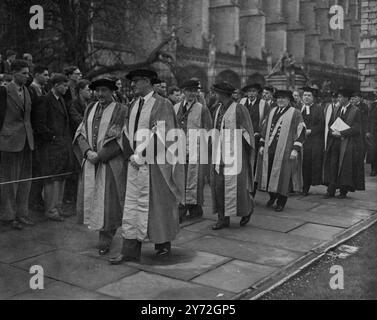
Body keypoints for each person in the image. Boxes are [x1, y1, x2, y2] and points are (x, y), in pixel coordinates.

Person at [109, 69, 184, 264]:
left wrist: (142, 155)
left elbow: (164, 134)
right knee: (133, 206)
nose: (132, 85)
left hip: (156, 164)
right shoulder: (133, 104)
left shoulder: (163, 103)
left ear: (147, 81)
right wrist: (129, 155)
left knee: (158, 205)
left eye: (135, 81)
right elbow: (126, 131)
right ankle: (130, 250)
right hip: (135, 163)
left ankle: (162, 246)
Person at [73, 78, 129, 256]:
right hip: (91, 161)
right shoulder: (90, 108)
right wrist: (87, 152)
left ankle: (106, 238)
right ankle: (102, 234)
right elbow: (81, 132)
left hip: (109, 164)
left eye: (104, 90)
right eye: (97, 91)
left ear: (112, 91)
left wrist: (101, 155)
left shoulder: (120, 110)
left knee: (109, 202)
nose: (100, 94)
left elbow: (120, 138)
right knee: (93, 199)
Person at [210, 82, 255, 230]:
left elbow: (247, 130)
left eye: (216, 93)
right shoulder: (217, 109)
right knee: (218, 185)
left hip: (235, 153)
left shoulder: (239, 109)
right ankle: (223, 218)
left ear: (222, 94)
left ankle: (247, 210)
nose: (214, 95)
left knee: (238, 187)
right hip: (219, 153)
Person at [255, 90, 306, 212]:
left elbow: (301, 131)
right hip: (269, 149)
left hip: (285, 151)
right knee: (268, 175)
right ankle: (272, 196)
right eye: (278, 98)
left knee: (284, 177)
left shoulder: (295, 113)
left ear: (289, 100)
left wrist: (295, 149)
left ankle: (281, 201)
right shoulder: (272, 111)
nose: (281, 100)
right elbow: (264, 128)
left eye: (284, 98)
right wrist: (262, 145)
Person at [33, 74, 74, 221]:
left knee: (61, 176)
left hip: (62, 145)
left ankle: (57, 206)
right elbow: (39, 124)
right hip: (51, 146)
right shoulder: (45, 100)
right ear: (56, 85)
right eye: (64, 85)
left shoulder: (61, 100)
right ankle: (50, 210)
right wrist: (52, 137)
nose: (66, 88)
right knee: (51, 177)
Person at [0, 60, 34, 230]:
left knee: (25, 180)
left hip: (27, 141)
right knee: (9, 180)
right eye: (24, 73)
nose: (27, 76)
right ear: (14, 73)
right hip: (10, 141)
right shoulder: (5, 90)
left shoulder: (27, 91)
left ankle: (22, 214)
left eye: (28, 73)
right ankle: (8, 216)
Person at [173, 80, 212, 222]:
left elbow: (208, 128)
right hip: (178, 148)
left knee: (194, 180)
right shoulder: (175, 107)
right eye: (189, 90)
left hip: (195, 148)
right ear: (183, 91)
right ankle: (189, 208)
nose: (192, 93)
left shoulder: (202, 109)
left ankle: (189, 209)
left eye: (195, 91)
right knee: (180, 178)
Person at [323, 89, 365, 199]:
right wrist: (333, 132)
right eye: (338, 97)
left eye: (341, 97)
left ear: (347, 98)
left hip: (347, 143)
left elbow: (357, 128)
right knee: (333, 165)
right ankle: (331, 190)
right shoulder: (336, 109)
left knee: (345, 167)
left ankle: (343, 191)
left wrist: (341, 133)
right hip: (335, 142)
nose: (338, 99)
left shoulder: (355, 111)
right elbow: (330, 124)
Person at [239, 83, 271, 196]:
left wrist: (260, 133)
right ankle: (242, 190)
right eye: (249, 91)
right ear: (246, 93)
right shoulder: (241, 103)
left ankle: (252, 191)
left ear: (258, 93)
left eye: (254, 91)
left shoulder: (264, 105)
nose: (251, 94)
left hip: (256, 139)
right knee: (242, 164)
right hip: (242, 138)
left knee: (254, 165)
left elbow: (267, 121)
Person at [28, 65, 50, 211]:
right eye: (45, 75)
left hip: (42, 136)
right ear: (36, 75)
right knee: (36, 170)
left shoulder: (43, 90)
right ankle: (33, 201)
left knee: (41, 169)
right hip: (35, 135)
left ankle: (37, 199)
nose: (48, 78)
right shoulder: (31, 90)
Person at [300, 87, 325, 195]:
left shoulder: (318, 109)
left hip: (312, 141)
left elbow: (321, 125)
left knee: (307, 164)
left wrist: (311, 131)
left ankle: (305, 187)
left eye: (309, 95)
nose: (306, 97)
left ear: (313, 98)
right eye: (305, 95)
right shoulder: (298, 108)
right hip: (299, 140)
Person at [350, 91, 369, 161]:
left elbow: (366, 119)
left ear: (360, 98)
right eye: (354, 97)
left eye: (356, 97)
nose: (355, 99)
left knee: (362, 147)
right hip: (355, 129)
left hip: (362, 129)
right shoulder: (352, 106)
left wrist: (366, 130)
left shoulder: (364, 106)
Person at [368, 94, 377, 176]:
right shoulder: (373, 105)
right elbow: (369, 119)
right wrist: (368, 131)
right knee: (373, 151)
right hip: (374, 132)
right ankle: (374, 169)